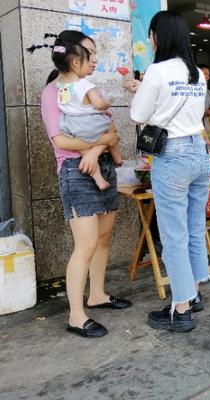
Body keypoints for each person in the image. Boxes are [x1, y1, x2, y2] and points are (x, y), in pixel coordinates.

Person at [34, 30, 131, 339]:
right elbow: (59, 140)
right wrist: (96, 145)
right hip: (75, 171)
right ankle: (76, 316)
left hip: (99, 164)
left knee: (103, 239)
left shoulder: (89, 88)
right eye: (91, 53)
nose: (96, 59)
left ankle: (97, 294)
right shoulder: (52, 93)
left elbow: (112, 130)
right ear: (75, 59)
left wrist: (94, 148)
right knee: (86, 244)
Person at [125, 11, 210, 332]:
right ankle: (194, 292)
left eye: (151, 34)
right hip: (199, 154)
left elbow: (138, 114)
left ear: (158, 37)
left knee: (172, 234)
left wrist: (139, 89)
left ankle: (181, 309)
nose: (150, 40)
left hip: (172, 155)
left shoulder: (157, 70)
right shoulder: (197, 74)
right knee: (192, 227)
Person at [56, 46, 124, 190]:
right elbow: (99, 104)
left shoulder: (61, 86)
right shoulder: (85, 84)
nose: (93, 62)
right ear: (76, 63)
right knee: (111, 128)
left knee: (85, 152)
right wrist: (107, 102)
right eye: (88, 59)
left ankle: (99, 180)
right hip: (90, 121)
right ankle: (117, 157)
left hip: (70, 125)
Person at [198, 63, 210, 144]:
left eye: (208, 75)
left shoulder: (209, 93)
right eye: (205, 74)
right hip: (196, 130)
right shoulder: (190, 93)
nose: (208, 77)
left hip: (206, 126)